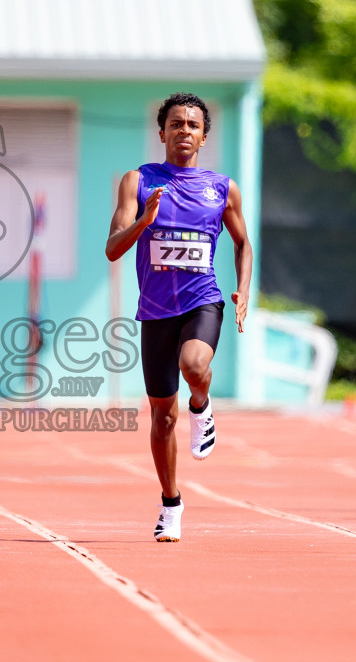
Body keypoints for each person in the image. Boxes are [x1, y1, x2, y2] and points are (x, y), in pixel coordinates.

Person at [105, 92, 253, 542]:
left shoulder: (222, 188)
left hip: (202, 299)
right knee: (161, 418)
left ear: (204, 136)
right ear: (162, 132)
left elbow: (243, 243)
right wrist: (143, 223)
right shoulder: (139, 181)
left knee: (194, 365)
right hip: (154, 312)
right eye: (176, 124)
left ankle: (202, 405)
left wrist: (243, 291)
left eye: (192, 125)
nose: (184, 131)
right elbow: (113, 248)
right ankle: (171, 503)